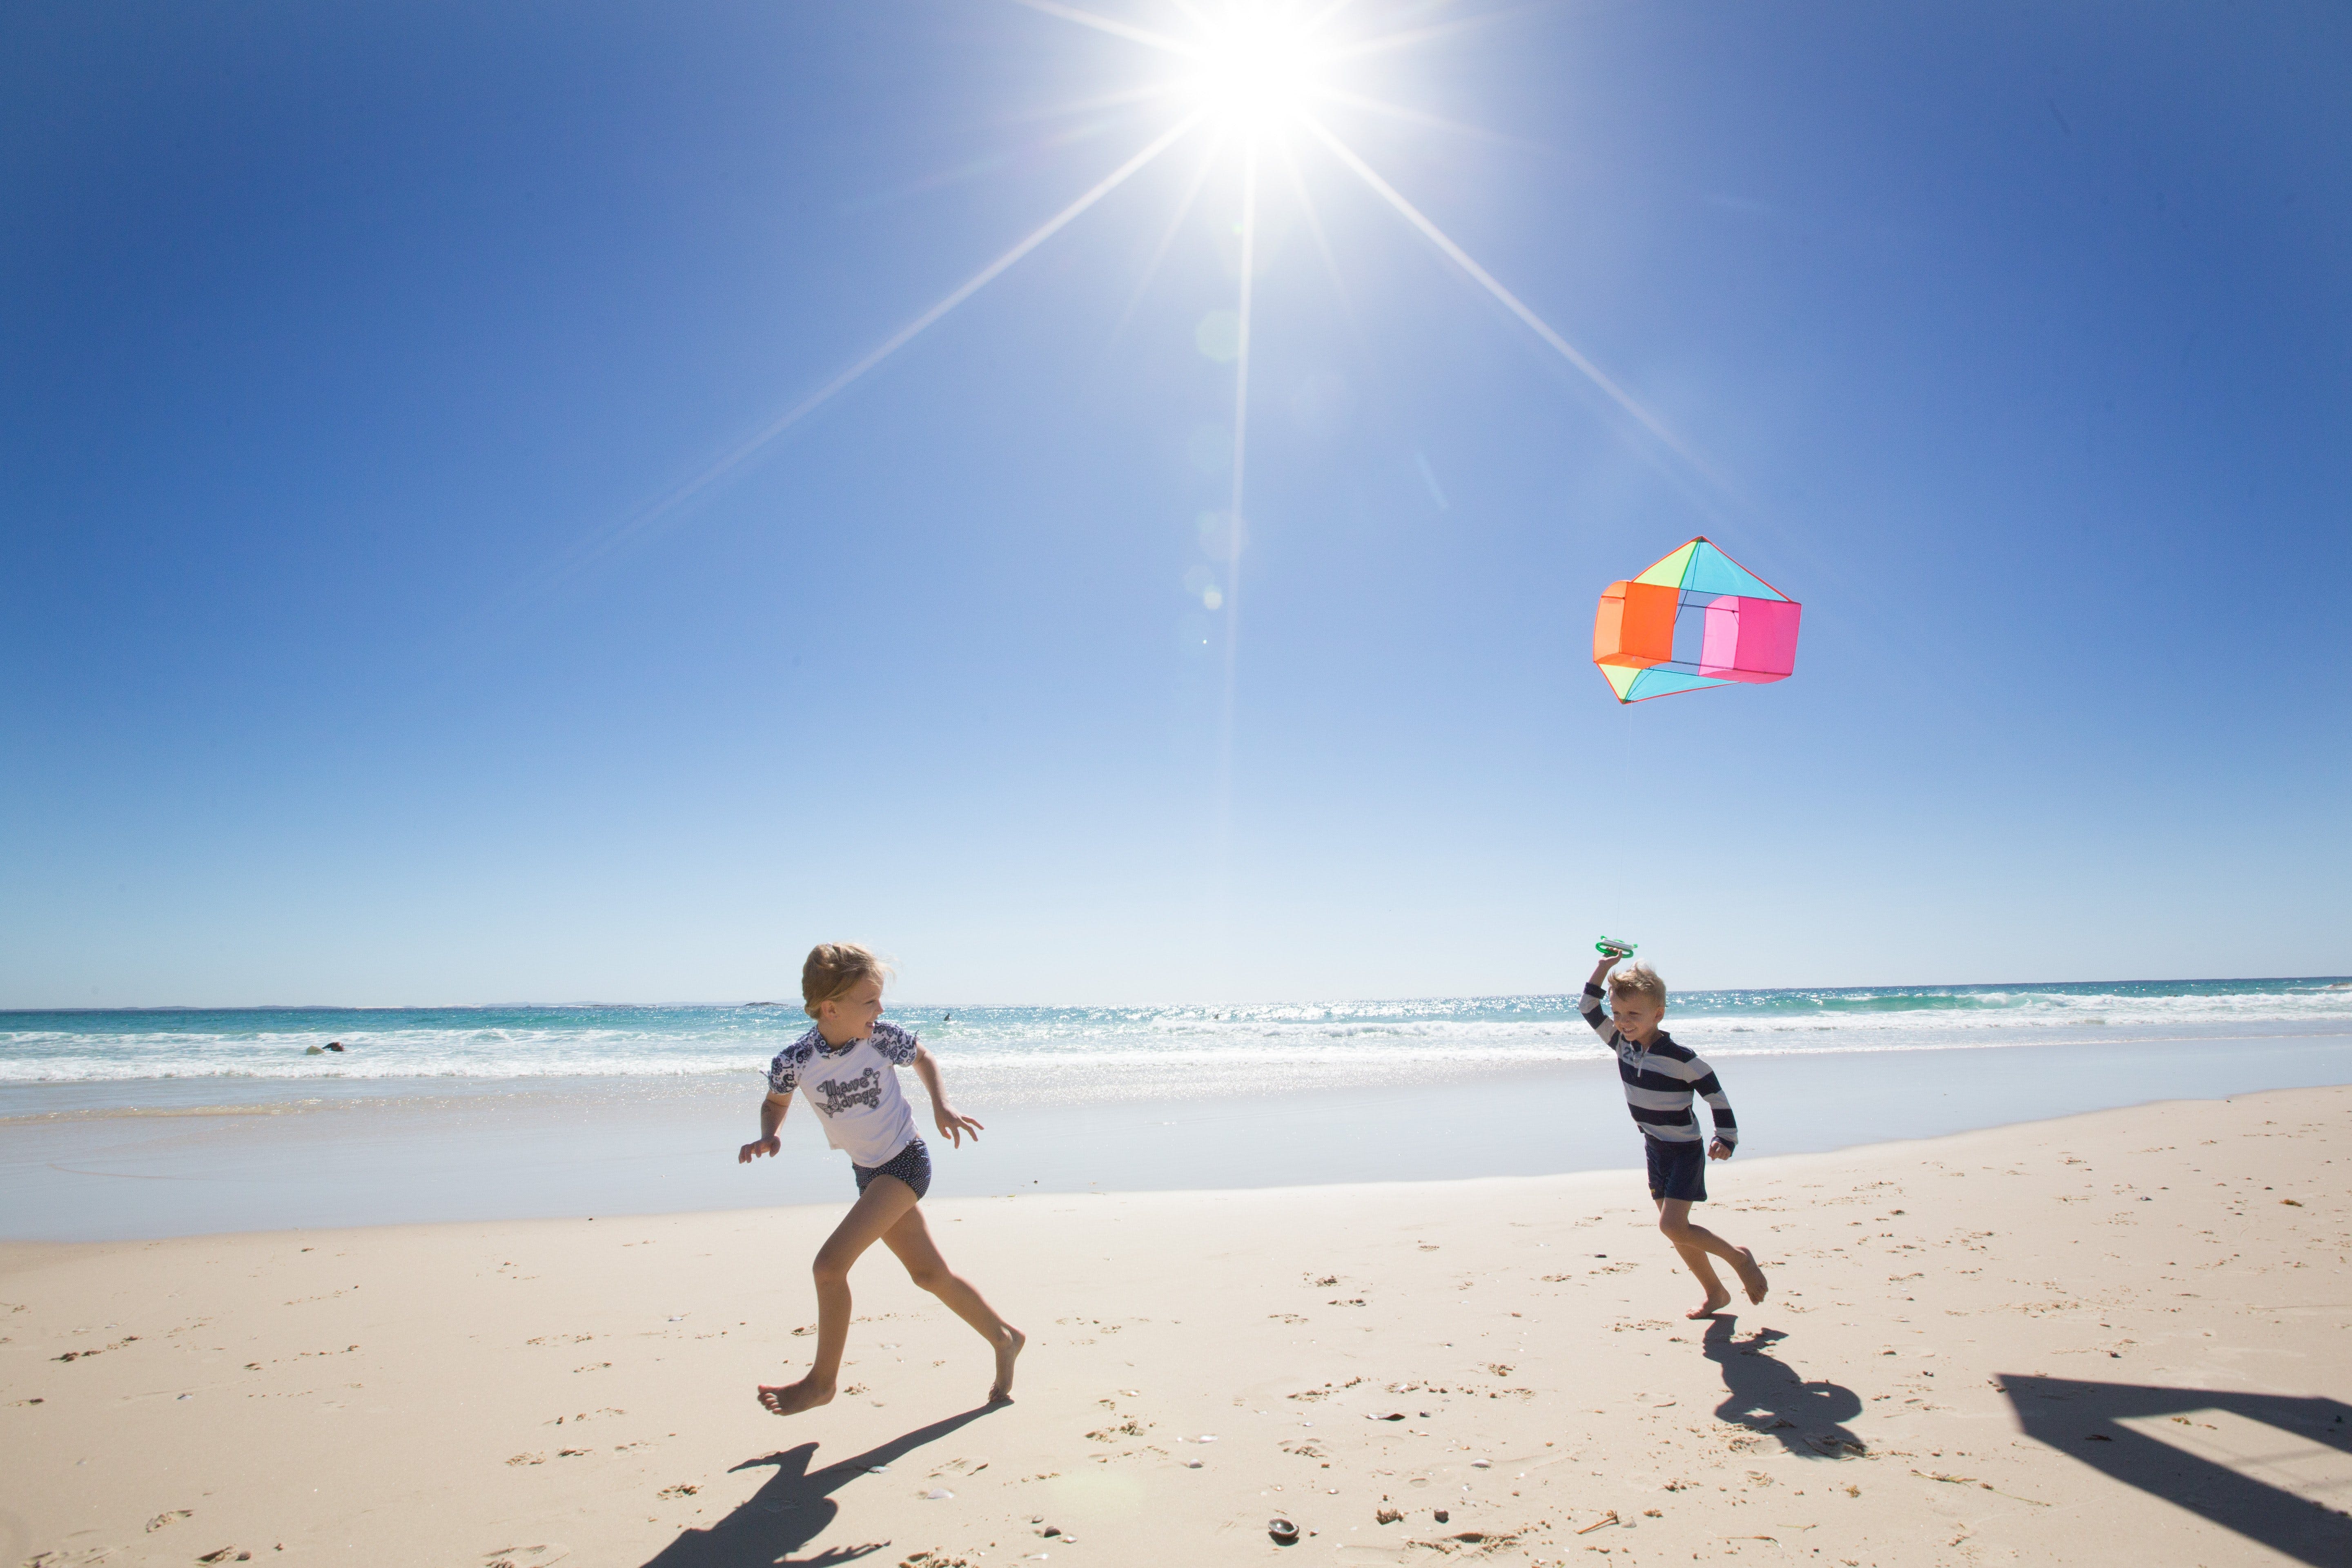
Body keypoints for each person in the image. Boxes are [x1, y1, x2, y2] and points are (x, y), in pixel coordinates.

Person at [738, 942, 1022, 1415]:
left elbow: (924, 1058)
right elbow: (775, 1102)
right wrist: (770, 1134)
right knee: (930, 1275)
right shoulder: (795, 1061)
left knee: (829, 1267)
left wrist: (941, 1104)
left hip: (905, 1163)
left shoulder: (880, 1039)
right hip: (869, 1174)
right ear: (830, 1008)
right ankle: (1005, 1337)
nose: (881, 1009)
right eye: (869, 1001)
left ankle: (821, 1383)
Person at [1580, 953, 1768, 1319]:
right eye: (1618, 1014)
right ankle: (1715, 1292)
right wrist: (1604, 968)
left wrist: (1726, 1137)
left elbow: (1715, 1094)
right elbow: (1588, 1006)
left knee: (1672, 1225)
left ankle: (1739, 1259)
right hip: (1655, 1148)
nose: (1623, 1022)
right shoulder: (1622, 1044)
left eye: (1634, 1015)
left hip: (1685, 1151)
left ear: (1658, 1014)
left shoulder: (1681, 1058)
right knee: (1677, 1231)